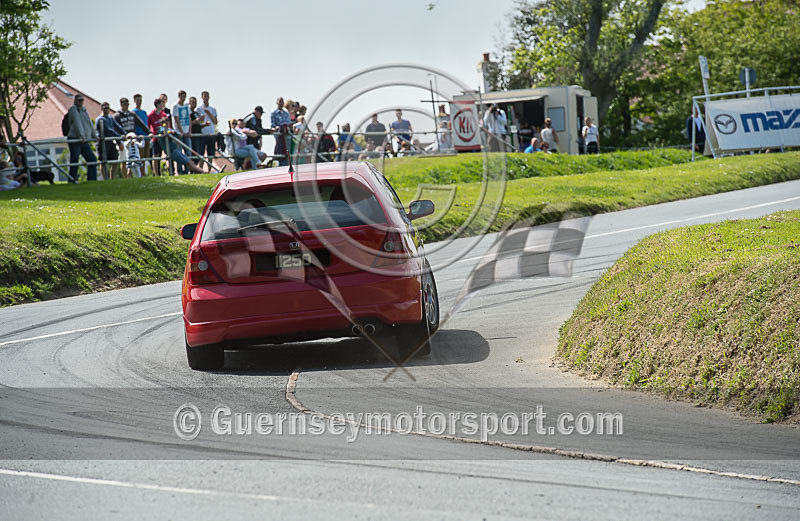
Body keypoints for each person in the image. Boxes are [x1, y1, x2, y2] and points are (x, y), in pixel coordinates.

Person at [66, 94, 97, 182]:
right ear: (75, 100)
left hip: (83, 140)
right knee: (75, 160)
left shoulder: (84, 110)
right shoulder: (73, 109)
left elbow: (89, 123)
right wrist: (81, 135)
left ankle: (92, 180)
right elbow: (77, 122)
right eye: (79, 100)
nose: (80, 102)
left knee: (92, 159)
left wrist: (94, 135)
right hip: (75, 139)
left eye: (82, 100)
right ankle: (72, 180)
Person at [96, 102, 125, 180]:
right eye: (105, 108)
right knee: (103, 161)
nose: (107, 109)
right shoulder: (100, 119)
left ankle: (112, 178)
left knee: (115, 160)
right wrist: (119, 137)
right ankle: (105, 178)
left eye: (108, 108)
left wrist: (125, 133)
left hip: (111, 141)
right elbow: (109, 130)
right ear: (102, 108)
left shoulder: (110, 118)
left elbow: (117, 127)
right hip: (103, 142)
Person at [147, 97, 171, 176]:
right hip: (156, 138)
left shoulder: (163, 114)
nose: (163, 105)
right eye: (161, 104)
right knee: (156, 155)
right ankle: (156, 173)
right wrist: (151, 133)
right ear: (157, 105)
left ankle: (169, 171)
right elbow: (148, 126)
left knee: (167, 155)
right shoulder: (151, 115)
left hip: (163, 137)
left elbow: (168, 125)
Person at [197, 91, 218, 171]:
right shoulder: (198, 109)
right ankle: (201, 169)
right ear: (202, 97)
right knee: (201, 153)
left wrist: (209, 114)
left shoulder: (213, 109)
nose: (205, 98)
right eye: (204, 96)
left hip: (211, 133)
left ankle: (209, 169)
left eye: (207, 96)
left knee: (210, 153)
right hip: (202, 133)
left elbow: (215, 122)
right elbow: (198, 122)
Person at [172, 90, 192, 173]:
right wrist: (181, 132)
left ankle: (187, 170)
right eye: (181, 96)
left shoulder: (187, 106)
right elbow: (176, 119)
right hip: (179, 133)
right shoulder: (175, 106)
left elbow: (189, 118)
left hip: (187, 132)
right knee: (179, 153)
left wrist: (189, 131)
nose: (183, 98)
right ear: (179, 96)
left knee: (189, 153)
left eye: (184, 96)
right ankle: (180, 171)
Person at [131, 94, 151, 175]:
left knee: (146, 157)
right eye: (137, 100)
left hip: (146, 136)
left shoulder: (144, 112)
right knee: (140, 156)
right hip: (139, 137)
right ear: (134, 101)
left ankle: (144, 173)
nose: (139, 102)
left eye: (140, 100)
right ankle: (141, 173)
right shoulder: (133, 112)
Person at [271, 97, 292, 166]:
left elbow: (288, 123)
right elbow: (273, 125)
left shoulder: (286, 113)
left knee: (287, 149)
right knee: (279, 149)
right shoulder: (274, 113)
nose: (281, 103)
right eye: (279, 101)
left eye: (282, 102)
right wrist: (278, 128)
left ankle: (287, 162)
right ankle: (279, 163)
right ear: (277, 103)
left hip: (286, 134)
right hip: (279, 135)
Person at [188, 96, 207, 165]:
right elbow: (190, 123)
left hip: (199, 134)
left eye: (195, 103)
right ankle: (193, 168)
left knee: (200, 152)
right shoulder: (188, 113)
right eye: (192, 102)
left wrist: (204, 125)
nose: (194, 104)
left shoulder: (196, 113)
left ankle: (196, 167)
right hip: (193, 135)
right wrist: (197, 120)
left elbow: (198, 125)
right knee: (194, 152)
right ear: (189, 103)